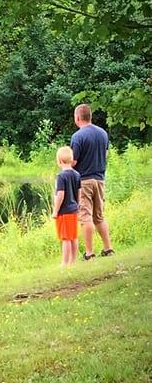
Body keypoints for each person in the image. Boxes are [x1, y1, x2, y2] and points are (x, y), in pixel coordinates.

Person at [71, 104, 114, 260]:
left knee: (85, 216)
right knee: (99, 216)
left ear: (77, 118)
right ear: (90, 116)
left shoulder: (78, 136)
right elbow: (106, 154)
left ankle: (89, 253)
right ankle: (108, 248)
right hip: (100, 179)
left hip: (84, 181)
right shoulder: (103, 133)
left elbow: (74, 161)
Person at [52, 146, 81, 266]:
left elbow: (60, 194)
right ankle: (73, 261)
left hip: (64, 211)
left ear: (59, 161)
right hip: (74, 209)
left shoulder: (61, 176)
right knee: (73, 236)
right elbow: (79, 192)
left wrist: (55, 211)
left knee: (66, 238)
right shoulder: (77, 174)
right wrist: (77, 205)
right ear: (71, 159)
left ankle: (65, 262)